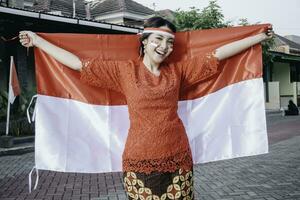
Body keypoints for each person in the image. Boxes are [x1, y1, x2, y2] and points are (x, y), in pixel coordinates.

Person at [19, 17, 273, 199]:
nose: (164, 46)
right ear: (144, 40)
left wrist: (259, 37)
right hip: (138, 160)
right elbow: (78, 64)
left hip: (178, 158)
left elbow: (217, 55)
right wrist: (38, 42)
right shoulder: (124, 72)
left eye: (170, 42)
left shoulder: (178, 72)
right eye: (158, 39)